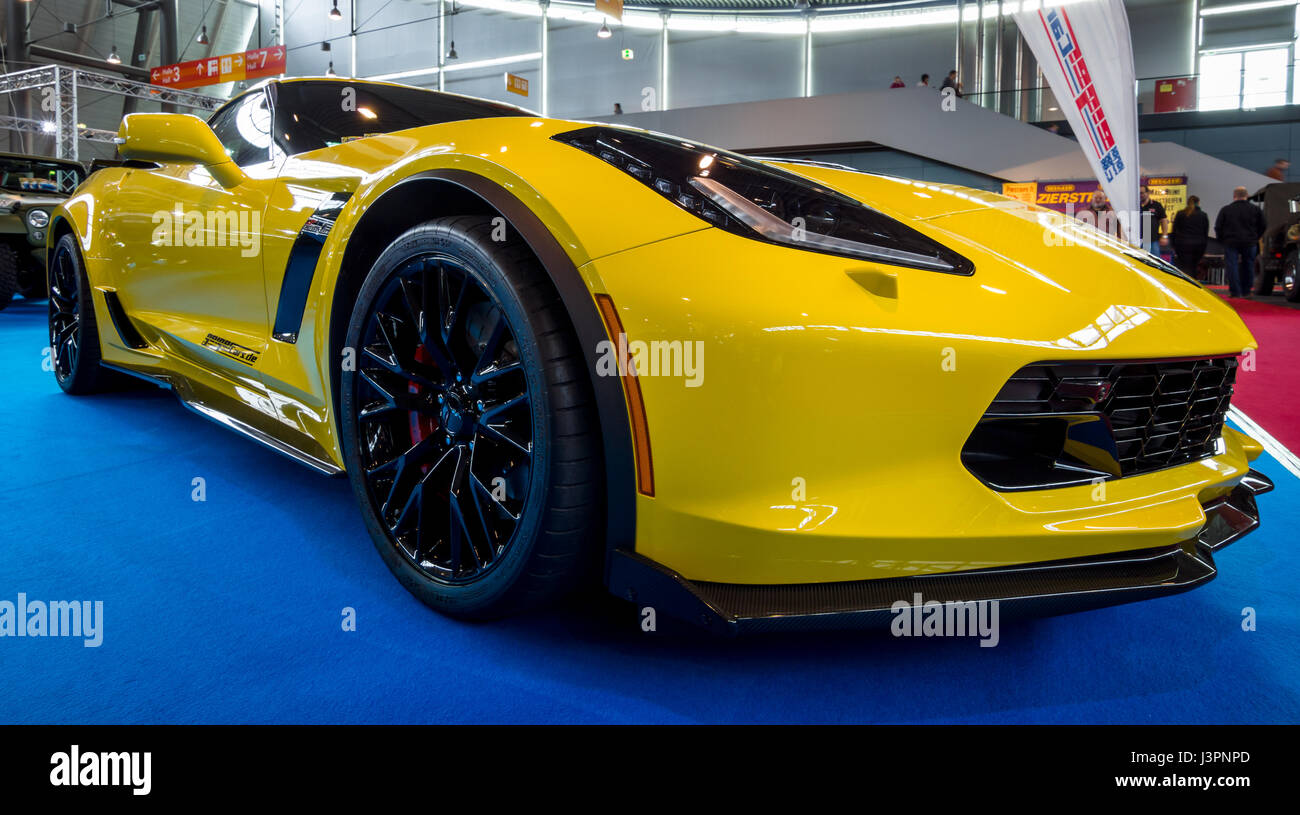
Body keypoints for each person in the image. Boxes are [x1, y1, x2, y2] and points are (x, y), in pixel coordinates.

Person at [1214, 186, 1266, 298]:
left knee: (1232, 266)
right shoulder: (1255, 209)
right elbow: (1263, 225)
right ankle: (1247, 291)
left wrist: (1222, 240)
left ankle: (1235, 291)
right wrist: (1256, 237)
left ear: (1234, 196)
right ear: (1247, 196)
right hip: (1249, 241)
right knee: (1248, 265)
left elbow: (1218, 227)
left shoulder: (1226, 209)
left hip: (1230, 242)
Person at [1170, 195, 1209, 279]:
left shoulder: (1180, 214)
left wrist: (1173, 245)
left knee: (1184, 266)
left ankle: (1184, 283)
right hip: (1198, 245)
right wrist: (1204, 248)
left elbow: (1174, 230)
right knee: (1194, 266)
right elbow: (1205, 233)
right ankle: (1193, 282)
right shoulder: (1203, 215)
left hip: (1182, 244)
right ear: (1198, 203)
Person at [1139, 185, 1168, 256]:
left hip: (1152, 240)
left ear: (1148, 193)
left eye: (1142, 193)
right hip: (1137, 241)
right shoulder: (1134, 205)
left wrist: (1164, 236)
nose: (1140, 195)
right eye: (1139, 193)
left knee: (1154, 263)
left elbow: (1164, 221)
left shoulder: (1156, 205)